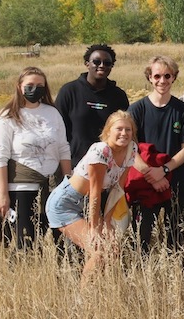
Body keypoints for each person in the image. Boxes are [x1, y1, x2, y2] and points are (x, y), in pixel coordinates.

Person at [46, 111, 137, 284]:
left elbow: (118, 189)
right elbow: (95, 192)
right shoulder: (100, 150)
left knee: (113, 249)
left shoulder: (131, 149)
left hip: (87, 204)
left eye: (128, 129)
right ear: (108, 131)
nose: (124, 133)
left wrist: (108, 222)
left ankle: (100, 291)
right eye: (119, 129)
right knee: (99, 250)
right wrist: (95, 227)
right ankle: (83, 300)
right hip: (65, 204)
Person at [0, 67, 71, 250]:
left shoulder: (52, 113)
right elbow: (0, 157)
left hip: (53, 187)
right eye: (29, 85)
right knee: (25, 243)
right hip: (21, 188)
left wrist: (68, 184)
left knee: (60, 241)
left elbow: (63, 149)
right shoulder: (8, 116)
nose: (34, 89)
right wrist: (3, 195)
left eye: (39, 85)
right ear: (20, 87)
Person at [128, 56, 184, 253]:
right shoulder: (137, 110)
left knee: (176, 238)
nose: (162, 81)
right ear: (149, 77)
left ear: (174, 77)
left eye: (167, 76)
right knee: (141, 238)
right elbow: (129, 148)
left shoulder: (183, 111)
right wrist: (151, 175)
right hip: (144, 184)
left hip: (176, 183)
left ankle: (174, 277)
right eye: (157, 75)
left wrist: (164, 170)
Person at [55, 44, 129, 167]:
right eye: (96, 61)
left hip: (107, 166)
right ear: (87, 63)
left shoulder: (118, 96)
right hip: (74, 165)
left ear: (112, 66)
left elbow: (125, 132)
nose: (101, 66)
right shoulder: (69, 91)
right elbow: (58, 130)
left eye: (107, 63)